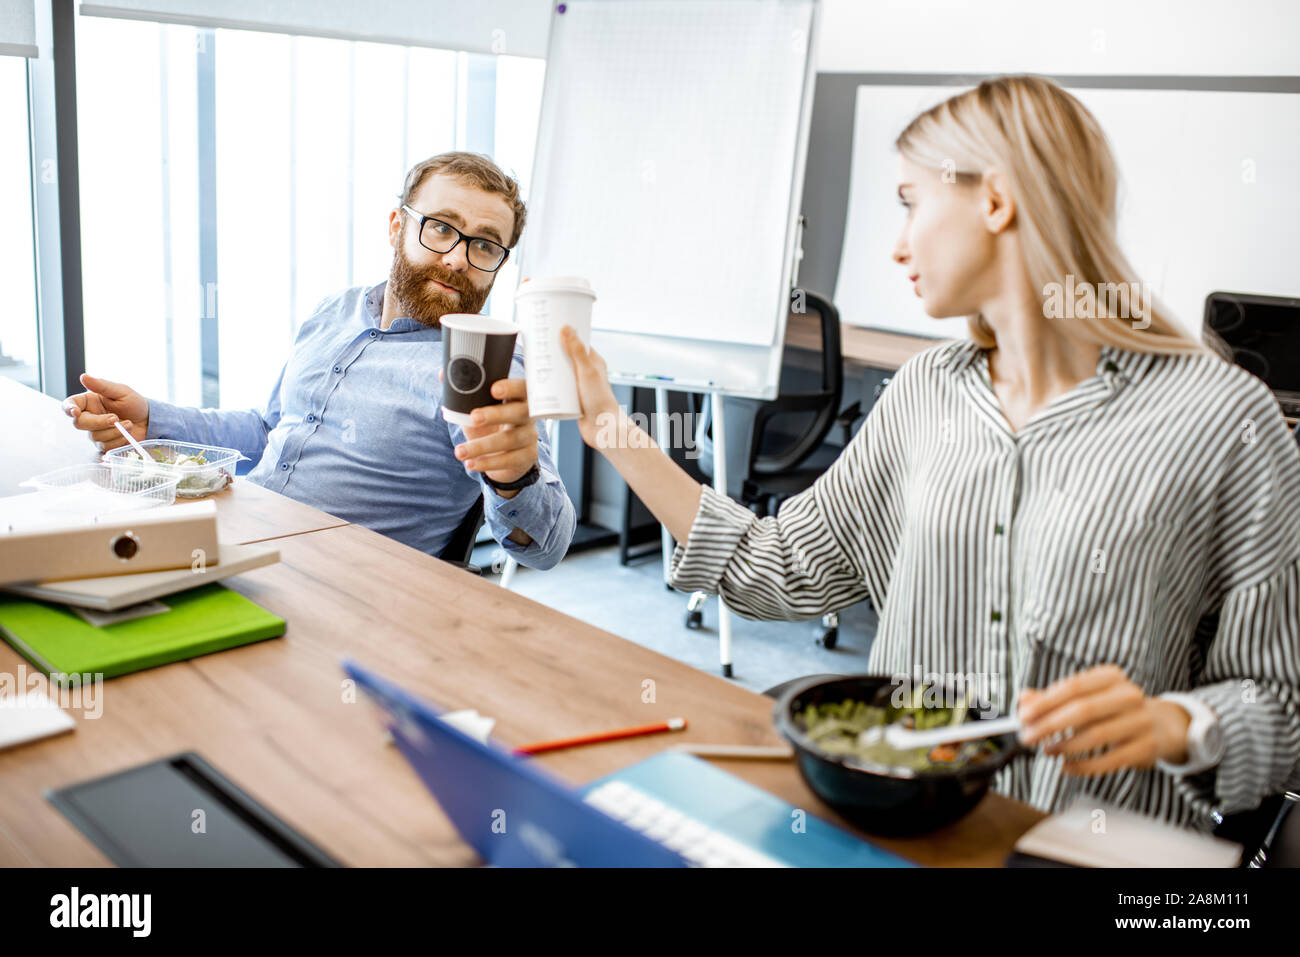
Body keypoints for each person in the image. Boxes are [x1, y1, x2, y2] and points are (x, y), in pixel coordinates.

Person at [536, 75, 1300, 829]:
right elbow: (779, 566)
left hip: (1098, 845)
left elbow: (1280, 705)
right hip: (915, 826)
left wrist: (1180, 725)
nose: (897, 245)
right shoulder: (926, 390)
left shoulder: (1223, 419)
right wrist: (614, 432)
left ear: (995, 199)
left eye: (910, 202)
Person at [64, 152, 575, 570]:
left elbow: (546, 546)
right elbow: (269, 431)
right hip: (232, 543)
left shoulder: (483, 367)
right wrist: (151, 419)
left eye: (485, 244)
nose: (458, 258)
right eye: (441, 228)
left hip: (335, 592)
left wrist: (516, 477)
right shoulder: (336, 311)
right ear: (397, 226)